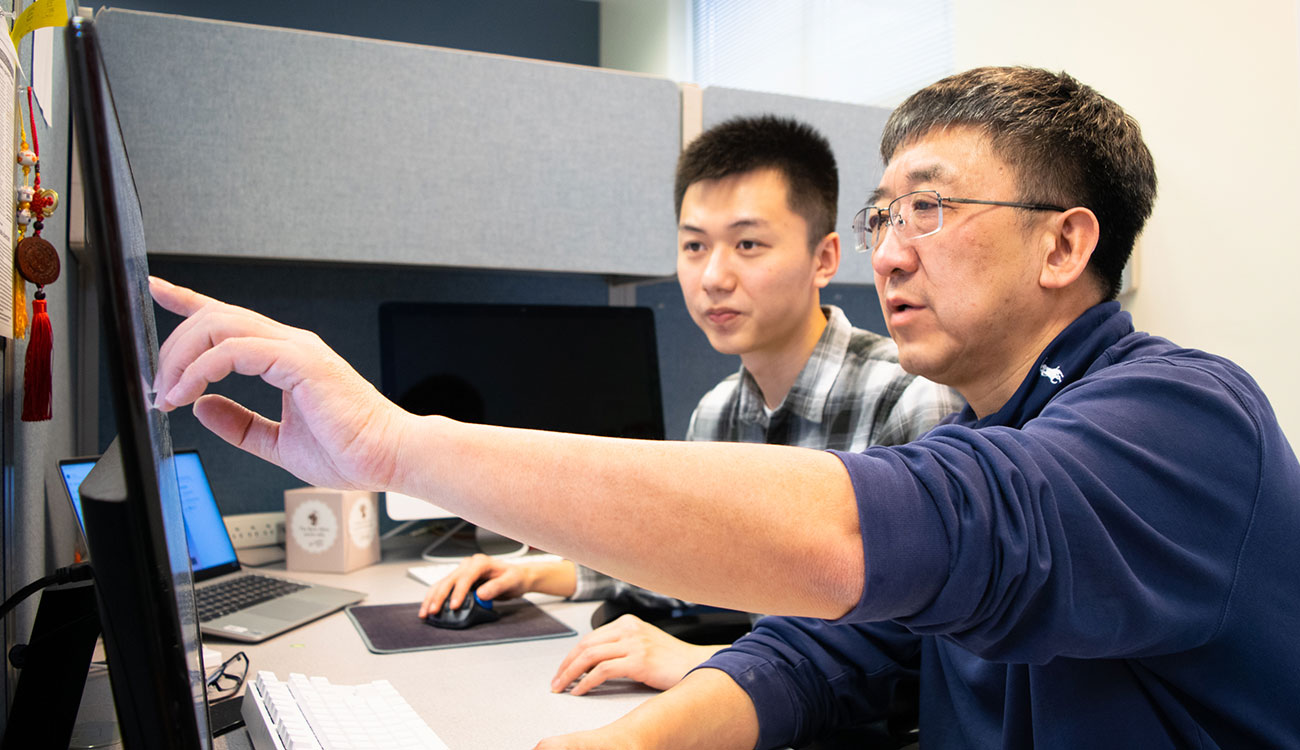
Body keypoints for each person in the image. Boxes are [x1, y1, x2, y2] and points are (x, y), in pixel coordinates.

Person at [150, 65, 1300, 749]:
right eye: (885, 216)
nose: (890, 256)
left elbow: (868, 534)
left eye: (931, 210)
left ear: (1064, 241)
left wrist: (400, 447)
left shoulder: (1183, 419)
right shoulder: (985, 430)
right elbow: (834, 656)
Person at [413, 115, 963, 697]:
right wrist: (544, 573)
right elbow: (697, 561)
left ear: (824, 259)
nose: (713, 277)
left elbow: (925, 643)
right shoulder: (719, 412)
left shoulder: (909, 397)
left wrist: (710, 661)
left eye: (747, 244)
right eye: (694, 246)